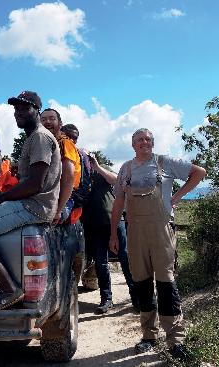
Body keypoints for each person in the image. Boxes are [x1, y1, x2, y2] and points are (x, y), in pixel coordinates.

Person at [109, 128, 206, 359]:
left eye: (148, 139)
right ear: (133, 145)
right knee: (141, 283)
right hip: (135, 232)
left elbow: (199, 172)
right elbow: (119, 202)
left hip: (162, 230)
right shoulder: (126, 169)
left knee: (166, 283)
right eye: (139, 139)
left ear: (152, 143)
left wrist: (176, 197)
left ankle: (175, 340)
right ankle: (148, 336)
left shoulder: (165, 162)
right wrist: (113, 233)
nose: (144, 142)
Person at [0, 91, 61, 310]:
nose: (19, 113)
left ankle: (9, 289)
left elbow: (35, 184)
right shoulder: (33, 137)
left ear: (37, 111)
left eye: (25, 108)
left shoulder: (40, 137)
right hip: (32, 203)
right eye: (16, 109)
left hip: (33, 205)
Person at [82, 153, 138, 315]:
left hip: (114, 220)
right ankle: (106, 299)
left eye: (86, 158)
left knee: (125, 258)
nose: (84, 161)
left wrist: (97, 167)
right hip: (94, 226)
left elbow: (116, 181)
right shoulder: (80, 175)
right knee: (100, 263)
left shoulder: (102, 169)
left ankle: (136, 297)